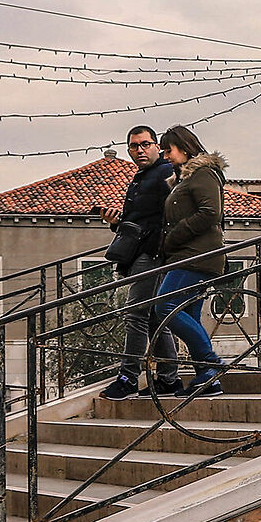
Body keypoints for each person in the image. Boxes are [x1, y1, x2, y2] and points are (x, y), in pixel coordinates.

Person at [100, 124, 182, 400]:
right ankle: (169, 379)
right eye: (134, 146)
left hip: (156, 254)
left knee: (136, 314)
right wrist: (116, 223)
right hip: (143, 253)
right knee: (155, 317)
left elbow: (173, 214)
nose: (140, 150)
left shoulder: (166, 173)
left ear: (156, 146)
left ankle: (128, 378)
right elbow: (139, 222)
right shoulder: (140, 178)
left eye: (145, 144)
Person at [149, 125, 229, 397]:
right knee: (189, 313)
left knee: (164, 307)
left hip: (197, 255)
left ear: (183, 148)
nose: (165, 156)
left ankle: (211, 364)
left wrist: (174, 237)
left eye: (168, 150)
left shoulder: (204, 173)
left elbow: (210, 213)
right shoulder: (183, 180)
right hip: (187, 254)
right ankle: (206, 377)